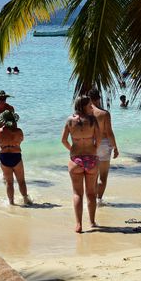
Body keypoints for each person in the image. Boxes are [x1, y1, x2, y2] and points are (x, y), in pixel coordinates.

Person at [61, 96, 100, 233]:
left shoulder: (69, 121)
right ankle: (92, 222)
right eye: (89, 105)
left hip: (76, 160)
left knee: (77, 193)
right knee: (91, 193)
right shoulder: (93, 120)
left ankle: (78, 224)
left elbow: (63, 140)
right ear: (83, 106)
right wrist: (94, 150)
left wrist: (72, 149)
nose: (91, 107)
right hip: (91, 159)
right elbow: (98, 140)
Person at [86, 88, 119, 206]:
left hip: (90, 144)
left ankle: (91, 200)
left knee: (93, 175)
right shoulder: (104, 114)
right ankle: (98, 200)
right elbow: (109, 133)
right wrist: (115, 147)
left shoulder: (85, 113)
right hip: (104, 144)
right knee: (103, 176)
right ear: (99, 98)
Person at [0, 109, 31, 205]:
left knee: (9, 182)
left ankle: (11, 203)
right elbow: (21, 140)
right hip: (16, 156)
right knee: (21, 181)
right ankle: (26, 199)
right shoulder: (18, 131)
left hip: (4, 156)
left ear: (3, 120)